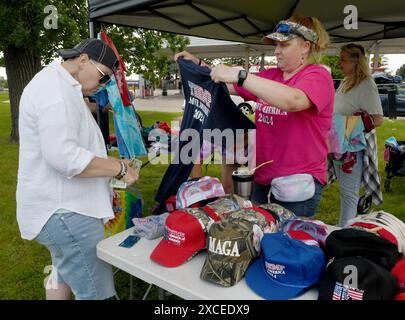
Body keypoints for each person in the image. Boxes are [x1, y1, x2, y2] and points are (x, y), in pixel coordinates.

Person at [16, 38, 139, 300]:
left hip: (62, 210)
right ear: (83, 60)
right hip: (66, 213)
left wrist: (111, 166)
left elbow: (71, 146)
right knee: (98, 293)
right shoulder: (56, 91)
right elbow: (65, 157)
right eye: (104, 76)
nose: (103, 85)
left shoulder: (62, 86)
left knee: (63, 272)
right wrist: (117, 168)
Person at [175, 16, 334, 217]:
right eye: (276, 44)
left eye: (284, 44)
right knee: (258, 234)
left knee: (288, 242)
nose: (276, 51)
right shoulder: (271, 76)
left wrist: (241, 76)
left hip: (297, 183)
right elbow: (226, 85)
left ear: (305, 46)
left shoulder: (318, 76)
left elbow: (293, 100)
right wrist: (198, 64)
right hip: (261, 176)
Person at [333, 43, 383, 227]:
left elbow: (377, 119)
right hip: (339, 142)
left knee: (349, 193)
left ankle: (344, 233)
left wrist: (349, 126)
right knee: (344, 191)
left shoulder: (366, 84)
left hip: (352, 146)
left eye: (344, 60)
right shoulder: (346, 81)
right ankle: (344, 229)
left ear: (357, 62)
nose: (339, 64)